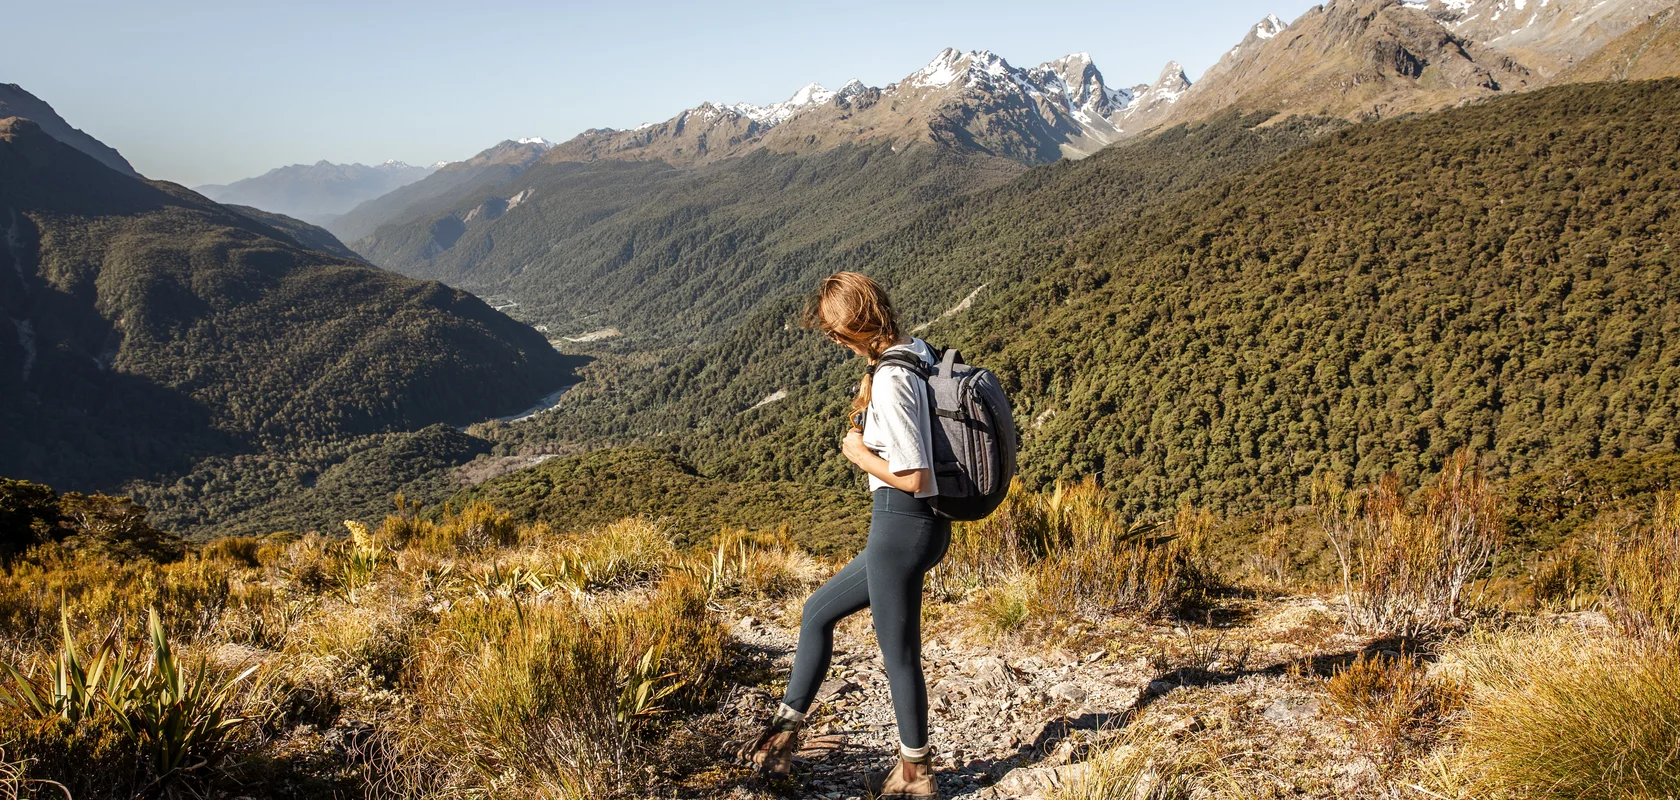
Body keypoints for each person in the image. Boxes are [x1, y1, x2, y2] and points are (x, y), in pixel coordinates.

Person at [736, 271, 950, 800]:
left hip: (902, 525)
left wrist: (858, 454)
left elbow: (918, 477)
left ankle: (915, 776)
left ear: (852, 328)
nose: (833, 342)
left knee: (898, 652)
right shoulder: (911, 350)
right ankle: (783, 740)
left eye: (835, 332)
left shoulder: (894, 377)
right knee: (817, 612)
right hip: (909, 531)